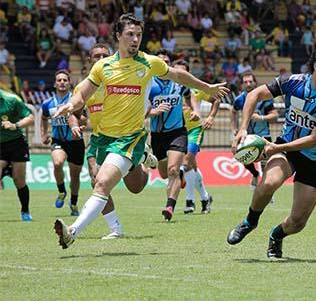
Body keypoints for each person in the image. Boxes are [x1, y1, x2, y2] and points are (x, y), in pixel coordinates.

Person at [53, 13, 229, 249]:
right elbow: (82, 93)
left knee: (102, 182)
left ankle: (72, 231)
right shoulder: (103, 66)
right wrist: (70, 106)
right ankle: (144, 159)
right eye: (130, 35)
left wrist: (206, 86)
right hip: (103, 137)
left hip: (129, 137)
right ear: (118, 36)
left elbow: (177, 74)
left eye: (139, 35)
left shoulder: (149, 62)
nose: (135, 39)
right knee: (133, 186)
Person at [227, 44, 316, 258]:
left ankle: (277, 235)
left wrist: (274, 147)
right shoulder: (293, 82)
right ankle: (249, 222)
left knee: (298, 222)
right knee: (270, 182)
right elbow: (253, 95)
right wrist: (243, 128)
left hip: (314, 158)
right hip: (287, 149)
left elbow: (314, 139)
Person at [73, 43, 159, 239]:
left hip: (125, 138)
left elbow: (144, 105)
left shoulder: (122, 78)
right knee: (97, 180)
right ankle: (115, 228)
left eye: (105, 55)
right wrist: (74, 124)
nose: (101, 58)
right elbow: (75, 111)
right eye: (97, 56)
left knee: (135, 188)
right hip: (98, 140)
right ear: (90, 61)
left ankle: (142, 157)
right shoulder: (83, 87)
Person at [148, 55, 192, 221]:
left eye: (166, 62)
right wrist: (154, 112)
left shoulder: (179, 82)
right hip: (157, 135)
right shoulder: (149, 84)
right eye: (160, 62)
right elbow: (140, 111)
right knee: (165, 173)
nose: (163, 64)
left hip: (178, 132)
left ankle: (170, 207)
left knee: (172, 170)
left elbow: (189, 94)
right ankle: (179, 175)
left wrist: (193, 108)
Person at [41, 70, 84, 217]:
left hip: (76, 141)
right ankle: (61, 191)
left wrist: (78, 123)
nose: (62, 82)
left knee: (75, 176)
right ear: (55, 83)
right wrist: (44, 134)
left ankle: (73, 203)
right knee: (58, 163)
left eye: (65, 80)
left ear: (69, 83)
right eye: (59, 80)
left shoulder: (76, 101)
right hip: (58, 140)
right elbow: (43, 118)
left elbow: (84, 118)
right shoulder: (48, 103)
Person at [180, 65, 221, 215]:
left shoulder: (196, 88)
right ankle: (205, 198)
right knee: (192, 167)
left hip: (195, 130)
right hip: (178, 132)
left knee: (185, 162)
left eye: (183, 70)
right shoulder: (170, 89)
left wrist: (210, 117)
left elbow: (216, 100)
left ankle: (190, 202)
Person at [232, 73, 278, 191]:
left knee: (265, 165)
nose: (248, 84)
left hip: (263, 136)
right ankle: (255, 174)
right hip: (246, 137)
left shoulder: (264, 99)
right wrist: (234, 128)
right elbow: (233, 111)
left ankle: (265, 190)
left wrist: (261, 118)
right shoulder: (239, 99)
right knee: (242, 158)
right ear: (242, 84)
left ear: (255, 83)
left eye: (250, 81)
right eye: (245, 82)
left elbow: (275, 115)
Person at [0, 89, 35, 221]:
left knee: (19, 180)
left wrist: (15, 125)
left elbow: (30, 118)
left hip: (16, 144)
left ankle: (25, 211)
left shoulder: (12, 100)